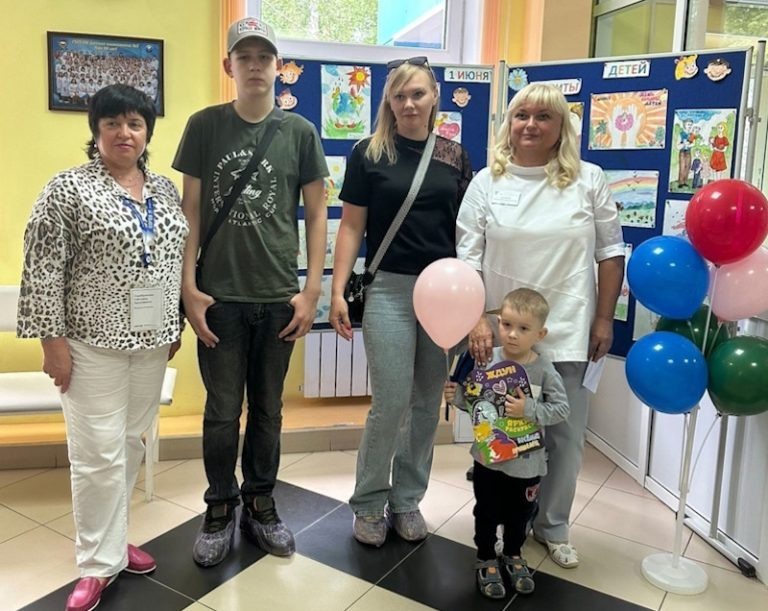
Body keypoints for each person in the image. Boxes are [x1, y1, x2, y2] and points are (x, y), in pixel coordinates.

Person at [17, 83, 188, 611]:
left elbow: (173, 259)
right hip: (90, 344)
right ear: (96, 131)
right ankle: (96, 564)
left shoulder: (164, 190)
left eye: (135, 123)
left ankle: (114, 543)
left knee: (130, 444)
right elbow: (42, 270)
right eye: (112, 122)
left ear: (147, 132)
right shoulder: (67, 189)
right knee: (96, 454)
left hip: (151, 342)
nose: (124, 132)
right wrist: (52, 344)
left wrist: (173, 323)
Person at [173, 17, 328, 567]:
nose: (256, 65)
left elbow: (317, 214)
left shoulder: (300, 132)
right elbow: (190, 210)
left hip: (278, 297)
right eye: (246, 57)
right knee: (221, 412)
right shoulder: (204, 126)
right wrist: (189, 287)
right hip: (220, 299)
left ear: (278, 66)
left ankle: (261, 503)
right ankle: (220, 508)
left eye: (265, 57)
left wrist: (312, 290)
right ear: (229, 66)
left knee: (268, 410)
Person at [456, 82, 625, 569]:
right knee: (503, 430)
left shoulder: (588, 179)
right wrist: (476, 320)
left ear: (561, 127)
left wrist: (603, 318)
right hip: (503, 337)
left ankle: (552, 526)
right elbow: (467, 258)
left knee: (564, 440)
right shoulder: (487, 182)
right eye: (522, 115)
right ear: (509, 123)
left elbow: (611, 253)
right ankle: (502, 524)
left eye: (544, 117)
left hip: (568, 331)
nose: (530, 124)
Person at [329, 56, 473, 547]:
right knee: (390, 400)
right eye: (399, 96)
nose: (409, 104)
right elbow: (351, 226)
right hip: (388, 287)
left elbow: (467, 231)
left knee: (427, 401)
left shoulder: (455, 156)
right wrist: (337, 290)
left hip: (444, 292)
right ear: (388, 102)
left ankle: (407, 499)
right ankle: (369, 503)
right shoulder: (368, 153)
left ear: (434, 98)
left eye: (418, 94)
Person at [444, 288, 569, 599]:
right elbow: (476, 402)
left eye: (523, 328)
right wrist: (456, 397)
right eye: (507, 325)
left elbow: (562, 410)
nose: (512, 334)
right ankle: (486, 557)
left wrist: (529, 409)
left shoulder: (544, 369)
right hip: (487, 459)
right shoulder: (486, 361)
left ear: (540, 334)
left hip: (527, 463)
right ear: (498, 323)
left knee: (520, 513)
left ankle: (513, 554)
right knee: (486, 510)